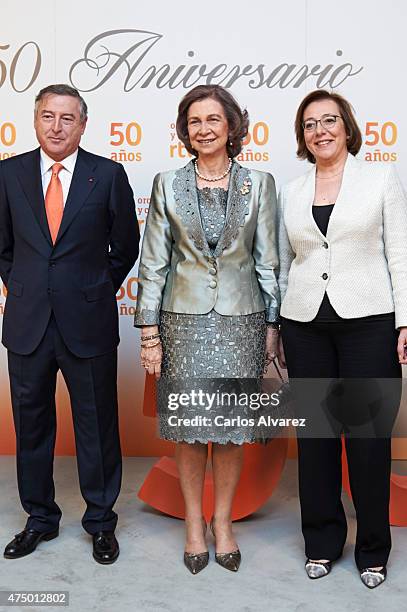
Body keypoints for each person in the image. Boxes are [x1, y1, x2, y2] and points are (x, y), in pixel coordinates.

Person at [134, 84, 279, 574]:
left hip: (243, 322)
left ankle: (224, 523)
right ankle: (194, 525)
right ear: (185, 130)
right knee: (191, 429)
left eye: (213, 119)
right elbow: (153, 264)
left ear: (232, 126)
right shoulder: (166, 183)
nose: (204, 129)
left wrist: (273, 327)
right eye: (194, 121)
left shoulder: (259, 183)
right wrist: (149, 333)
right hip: (183, 324)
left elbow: (269, 262)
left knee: (233, 432)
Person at [0, 84, 139, 564]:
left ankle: (101, 522)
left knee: (96, 425)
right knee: (32, 425)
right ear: (34, 120)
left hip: (89, 321)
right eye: (47, 116)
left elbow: (125, 246)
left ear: (83, 124)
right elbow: (4, 248)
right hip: (28, 322)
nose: (56, 127)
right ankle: (39, 518)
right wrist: (24, 285)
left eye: (67, 118)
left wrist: (94, 288)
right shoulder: (8, 174)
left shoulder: (108, 174)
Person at [277, 89, 407, 588]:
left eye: (329, 121)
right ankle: (322, 541)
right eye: (310, 124)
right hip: (305, 323)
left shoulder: (378, 179)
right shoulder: (291, 190)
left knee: (369, 441)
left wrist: (403, 322)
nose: (320, 131)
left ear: (347, 128)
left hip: (370, 321)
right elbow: (286, 263)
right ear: (302, 136)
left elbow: (399, 253)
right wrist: (278, 328)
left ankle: (373, 549)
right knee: (315, 439)